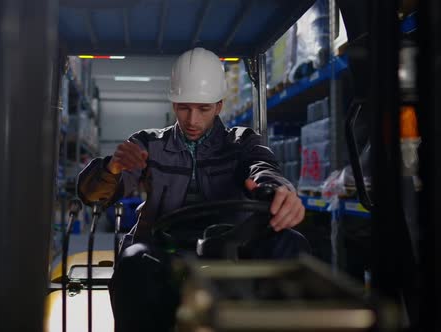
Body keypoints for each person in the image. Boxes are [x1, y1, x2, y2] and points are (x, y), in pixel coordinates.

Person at [77, 47, 310, 332]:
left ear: (219, 106)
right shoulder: (148, 145)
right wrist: (111, 170)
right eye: (184, 107)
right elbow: (94, 195)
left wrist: (276, 189)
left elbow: (262, 166)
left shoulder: (241, 142)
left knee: (291, 243)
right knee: (132, 262)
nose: (192, 120)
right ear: (173, 103)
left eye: (203, 109)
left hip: (229, 247)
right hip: (162, 248)